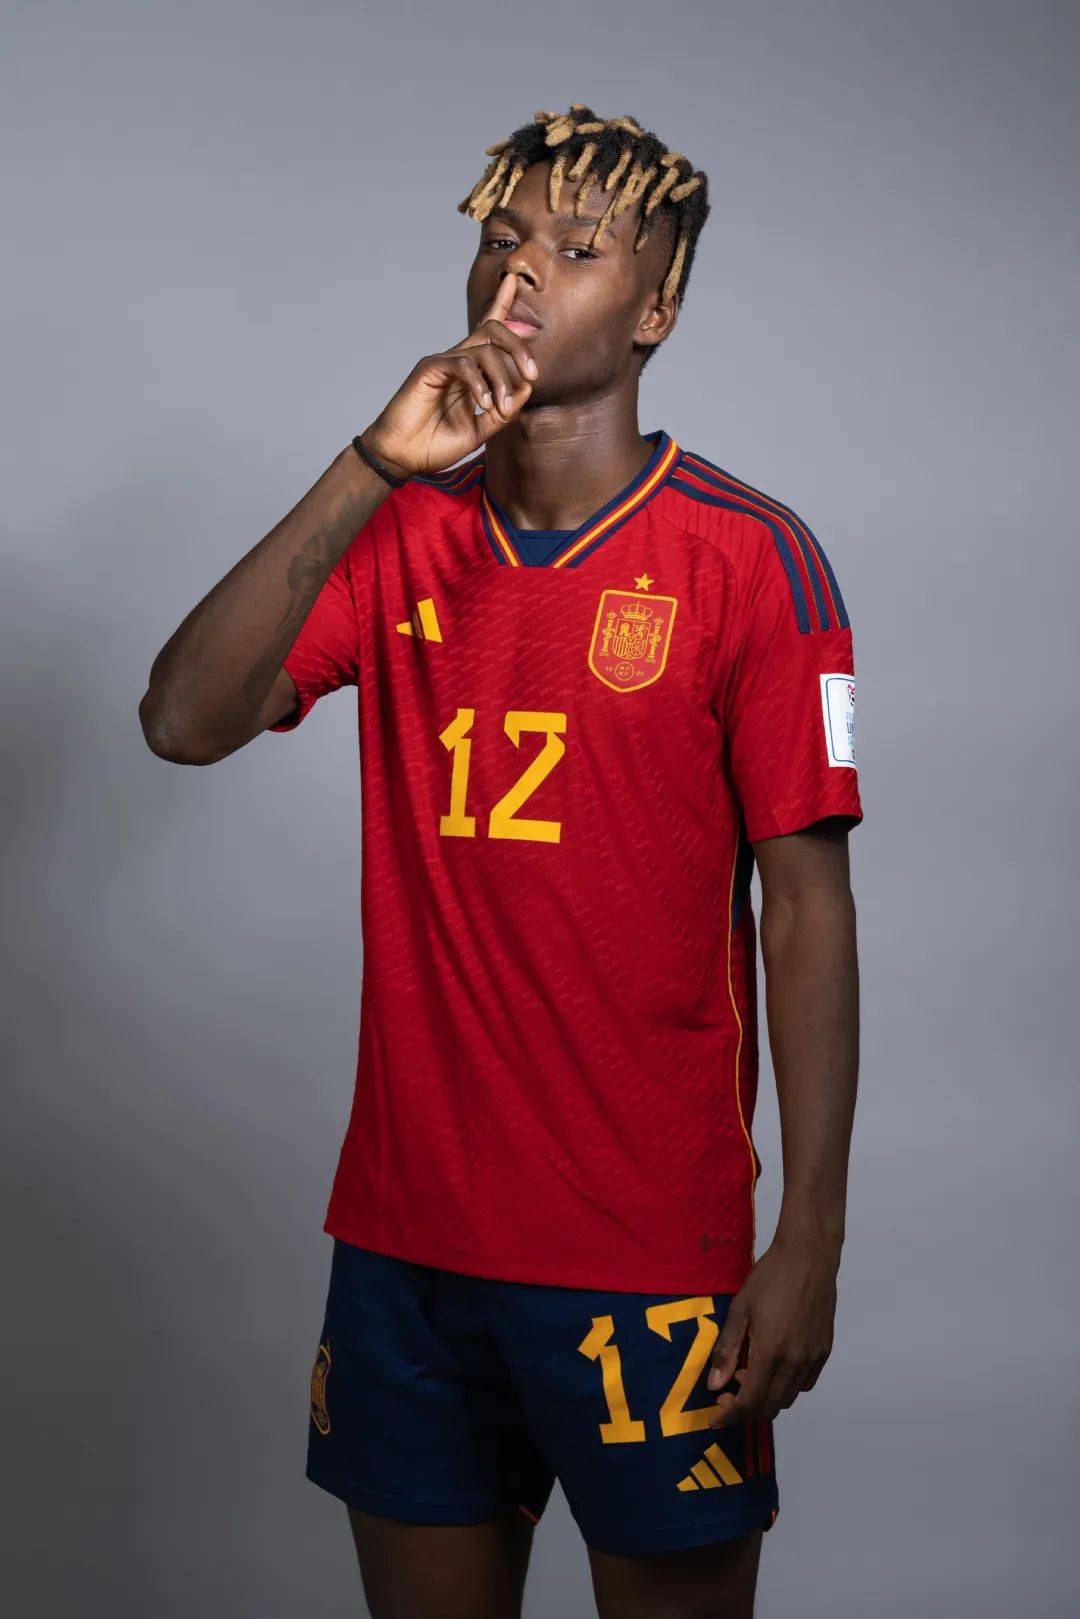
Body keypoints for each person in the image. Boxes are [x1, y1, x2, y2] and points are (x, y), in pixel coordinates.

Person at [140, 102, 863, 1619]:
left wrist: (809, 1234)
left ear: (656, 310)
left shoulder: (751, 558)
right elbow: (183, 720)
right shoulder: (401, 533)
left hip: (647, 1255)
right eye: (502, 238)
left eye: (579, 249)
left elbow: (807, 912)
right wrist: (371, 464)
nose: (520, 273)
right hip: (403, 1247)